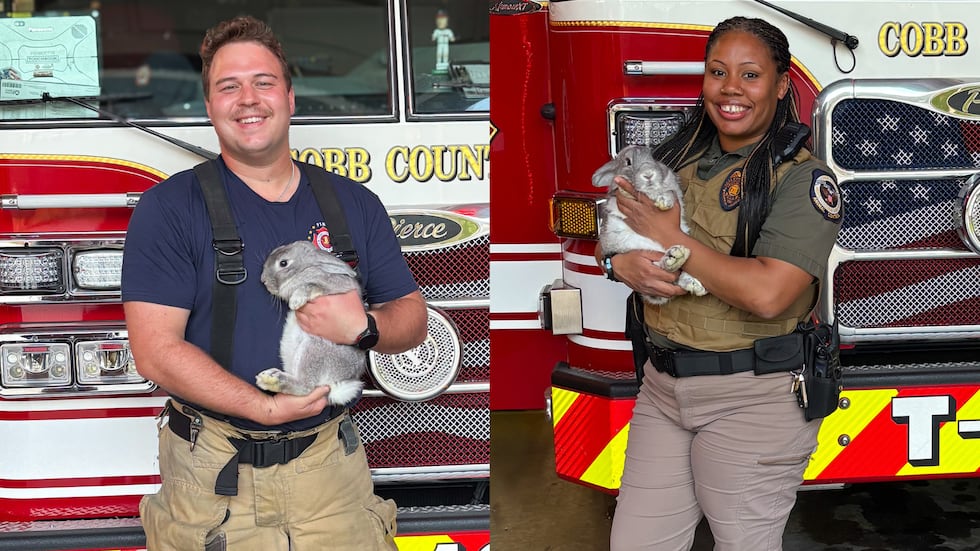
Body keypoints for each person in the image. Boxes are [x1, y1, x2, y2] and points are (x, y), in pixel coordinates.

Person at [121, 15, 427, 550]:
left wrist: (366, 326)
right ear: (210, 106)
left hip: (332, 479)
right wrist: (262, 407)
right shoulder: (167, 209)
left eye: (263, 82)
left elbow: (412, 318)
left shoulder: (354, 204)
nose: (248, 99)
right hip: (213, 483)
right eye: (228, 86)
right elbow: (154, 351)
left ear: (289, 97)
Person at [601, 16, 843, 551]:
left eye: (750, 75)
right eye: (718, 72)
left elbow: (768, 294)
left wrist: (669, 238)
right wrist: (618, 265)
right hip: (663, 389)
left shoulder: (803, 179)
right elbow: (614, 227)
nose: (730, 88)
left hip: (753, 396)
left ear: (781, 86)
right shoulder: (672, 156)